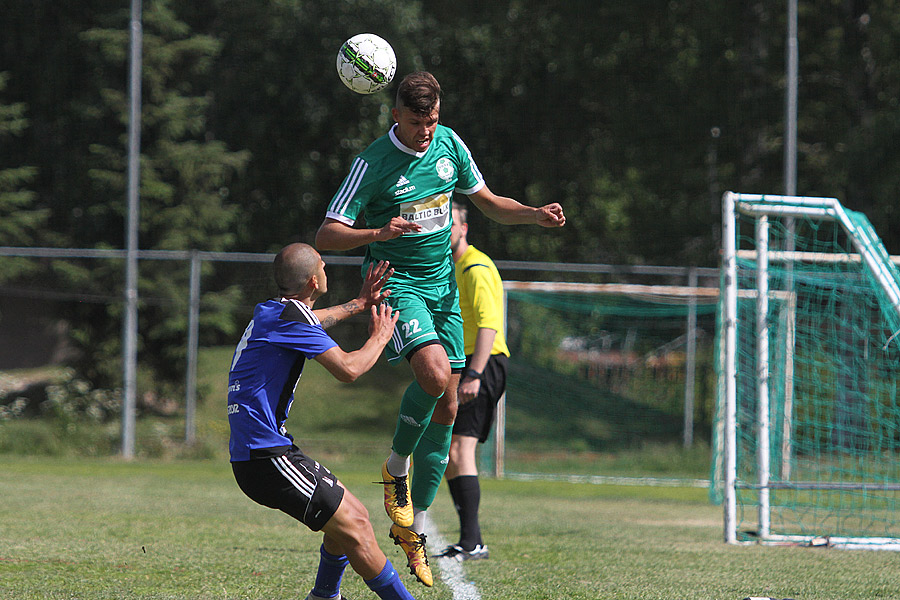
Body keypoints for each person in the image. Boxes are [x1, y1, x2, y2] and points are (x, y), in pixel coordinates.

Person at [316, 71, 565, 587]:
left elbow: (491, 202)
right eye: (416, 122)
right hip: (396, 284)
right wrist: (380, 232)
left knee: (449, 406)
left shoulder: (449, 142)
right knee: (432, 376)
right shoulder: (372, 163)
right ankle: (395, 467)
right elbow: (327, 234)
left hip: (442, 290)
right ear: (395, 118)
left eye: (432, 121)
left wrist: (533, 213)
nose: (427, 131)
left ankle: (415, 525)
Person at [227, 242, 418, 600]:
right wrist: (380, 338)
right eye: (323, 266)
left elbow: (316, 319)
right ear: (313, 281)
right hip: (265, 458)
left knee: (350, 515)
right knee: (357, 527)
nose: (327, 267)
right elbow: (349, 369)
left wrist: (358, 304)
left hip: (265, 452)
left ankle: (324, 595)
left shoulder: (272, 312)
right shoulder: (289, 319)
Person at [435, 202, 509, 562]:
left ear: (463, 228)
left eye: (449, 224)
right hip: (464, 364)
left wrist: (475, 374)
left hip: (483, 363)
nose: (442, 230)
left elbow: (488, 325)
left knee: (460, 452)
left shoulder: (476, 266)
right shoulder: (451, 266)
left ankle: (472, 542)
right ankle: (471, 540)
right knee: (451, 455)